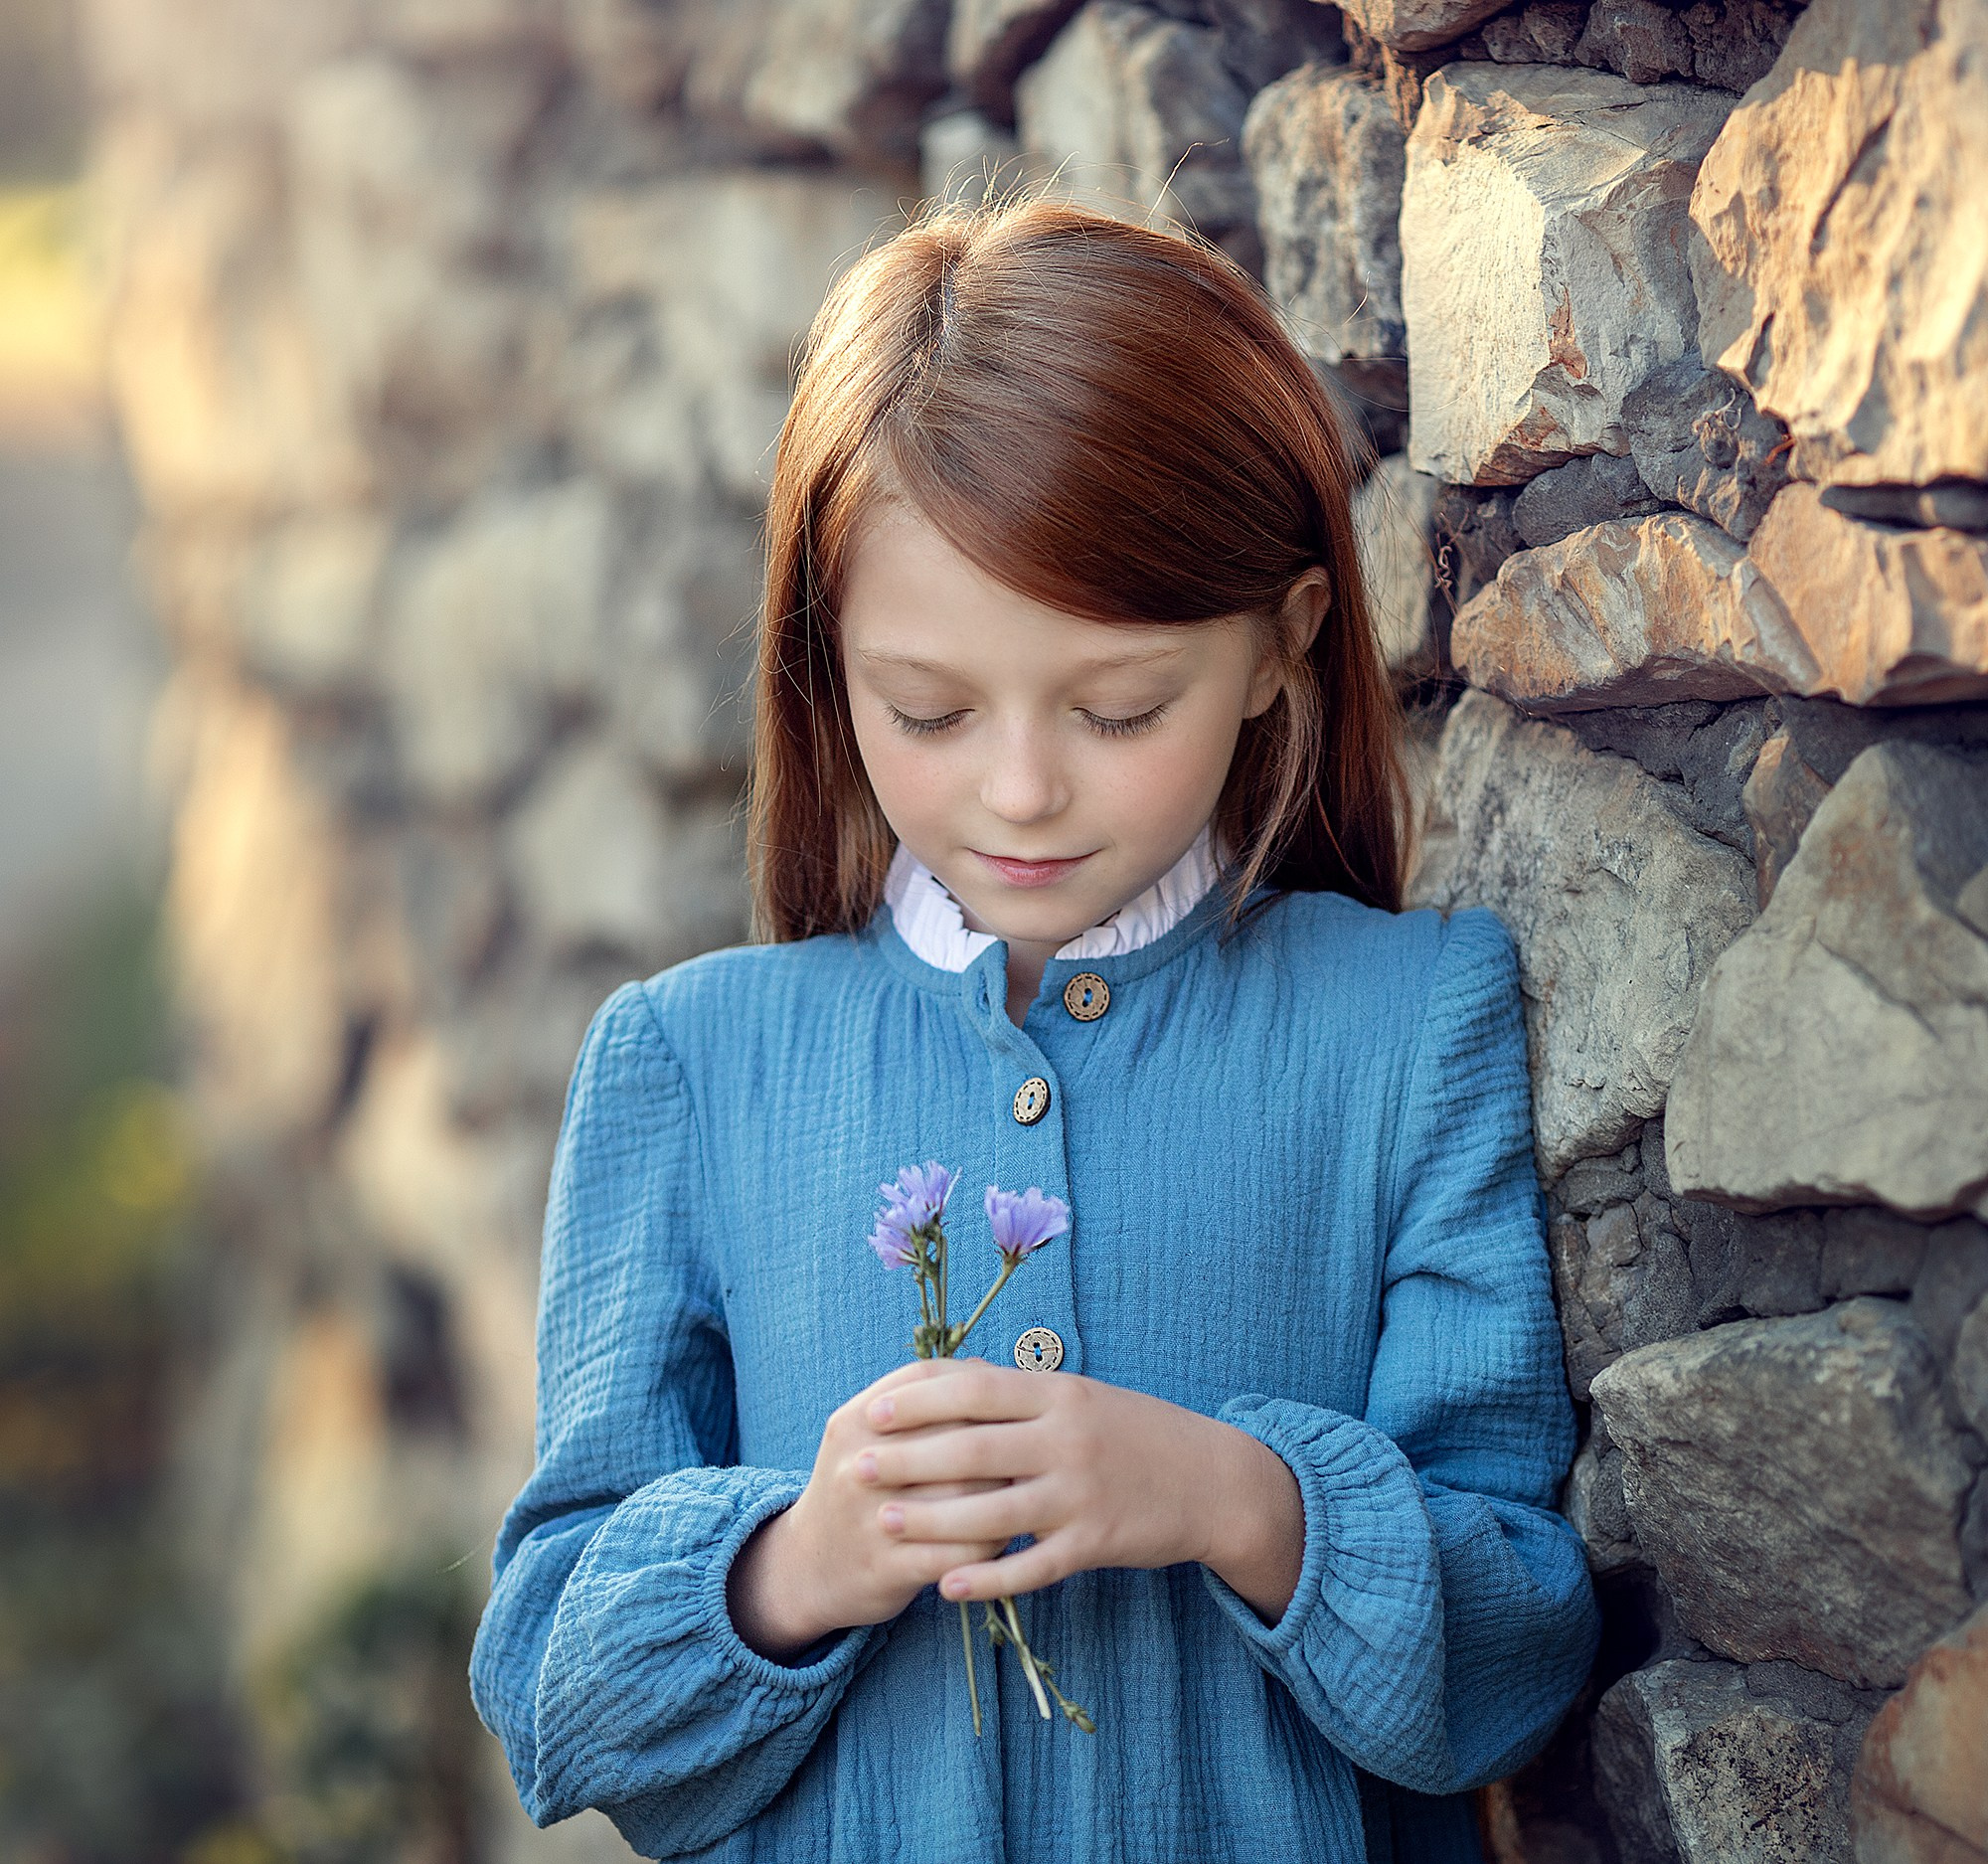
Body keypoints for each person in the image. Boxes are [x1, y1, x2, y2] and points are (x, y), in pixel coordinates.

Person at [468, 196, 1599, 1862]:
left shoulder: (1406, 1026)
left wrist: (1234, 1503)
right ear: (824, 669)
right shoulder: (692, 1066)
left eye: (1118, 707)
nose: (1019, 790)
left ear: (1283, 648)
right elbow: (556, 1704)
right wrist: (801, 1561)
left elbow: (1515, 1661)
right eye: (926, 709)